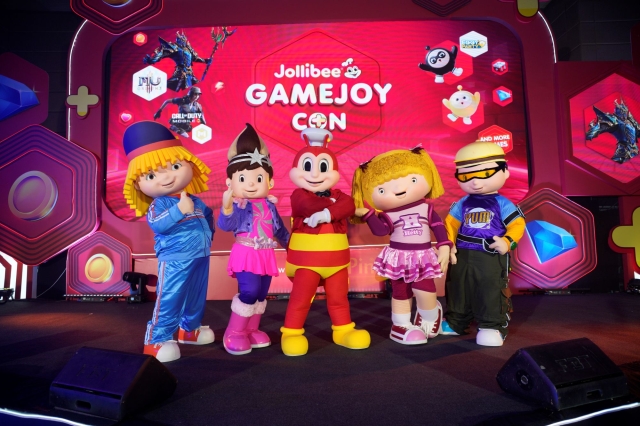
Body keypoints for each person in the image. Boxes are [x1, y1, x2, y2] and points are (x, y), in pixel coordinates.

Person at [122, 121, 214, 362]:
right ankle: (156, 340)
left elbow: (208, 217)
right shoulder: (159, 204)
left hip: (201, 255)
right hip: (175, 259)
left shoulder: (194, 199)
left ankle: (190, 329)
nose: (167, 178)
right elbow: (157, 224)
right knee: (170, 298)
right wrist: (180, 210)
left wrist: (208, 238)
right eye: (152, 175)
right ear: (137, 183)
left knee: (196, 295)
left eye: (174, 166)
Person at [280, 126, 370, 356]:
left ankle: (343, 330)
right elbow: (307, 206)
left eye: (322, 167)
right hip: (306, 262)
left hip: (337, 263)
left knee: (339, 299)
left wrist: (329, 213)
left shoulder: (339, 195)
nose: (315, 174)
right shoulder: (298, 194)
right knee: (301, 299)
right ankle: (291, 332)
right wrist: (333, 207)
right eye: (307, 166)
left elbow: (349, 204)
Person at [351, 147, 452, 345]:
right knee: (400, 291)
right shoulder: (387, 214)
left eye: (412, 180)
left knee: (425, 289)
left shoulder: (426, 208)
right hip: (398, 256)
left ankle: (430, 314)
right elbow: (380, 231)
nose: (399, 190)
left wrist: (444, 246)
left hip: (422, 255)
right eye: (382, 190)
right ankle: (401, 324)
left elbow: (438, 226)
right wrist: (369, 215)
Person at [442, 140, 525, 347]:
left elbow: (517, 224)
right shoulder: (463, 203)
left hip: (490, 254)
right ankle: (456, 321)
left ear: (505, 171)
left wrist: (508, 241)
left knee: (491, 288)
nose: (475, 182)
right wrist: (448, 245)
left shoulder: (502, 203)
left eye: (485, 173)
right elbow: (450, 224)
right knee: (457, 287)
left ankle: (492, 326)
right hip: (462, 253)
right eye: (466, 176)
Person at [217, 124, 290, 355]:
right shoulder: (239, 205)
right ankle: (234, 332)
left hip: (266, 255)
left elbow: (280, 230)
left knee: (260, 294)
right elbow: (226, 225)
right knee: (248, 292)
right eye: (242, 178)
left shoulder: (269, 205)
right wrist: (226, 208)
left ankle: (251, 330)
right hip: (246, 254)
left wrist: (293, 246)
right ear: (230, 183)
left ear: (270, 182)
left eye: (258, 178)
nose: (250, 184)